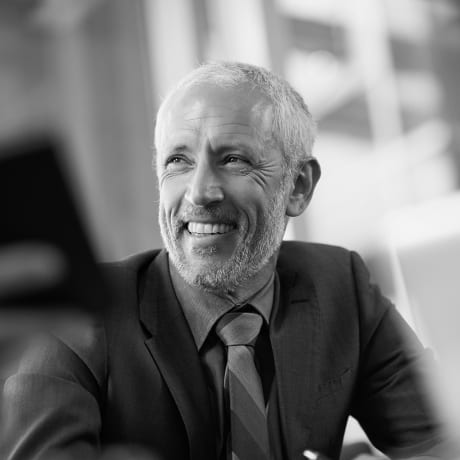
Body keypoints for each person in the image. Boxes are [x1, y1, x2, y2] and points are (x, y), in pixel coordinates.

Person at [0, 62, 448, 460]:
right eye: (178, 161)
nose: (198, 193)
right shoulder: (75, 319)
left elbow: (439, 442)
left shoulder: (341, 285)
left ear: (298, 187)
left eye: (233, 159)